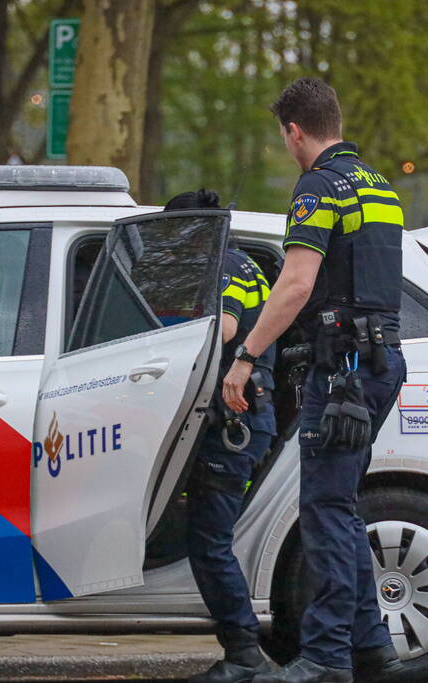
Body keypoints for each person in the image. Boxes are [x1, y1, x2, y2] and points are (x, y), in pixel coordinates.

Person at [220, 78, 407, 683]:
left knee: (325, 510)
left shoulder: (318, 186)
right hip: (380, 362)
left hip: (344, 370)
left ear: (295, 130)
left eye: (284, 137)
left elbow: (297, 283)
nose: (287, 147)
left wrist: (247, 355)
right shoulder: (380, 186)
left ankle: (326, 657)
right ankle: (372, 650)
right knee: (340, 507)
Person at [164, 189, 277, 683]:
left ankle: (244, 653)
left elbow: (225, 329)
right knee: (210, 537)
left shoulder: (225, 266)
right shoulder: (243, 261)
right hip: (240, 420)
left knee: (210, 541)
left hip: (234, 422)